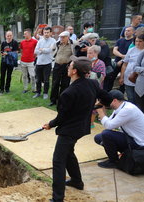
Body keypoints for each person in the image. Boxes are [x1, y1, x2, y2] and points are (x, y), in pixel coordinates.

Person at [43, 56, 109, 202]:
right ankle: (77, 181)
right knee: (69, 153)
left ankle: (57, 198)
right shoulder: (92, 83)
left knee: (58, 161)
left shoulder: (68, 93)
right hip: (82, 127)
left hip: (69, 131)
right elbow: (107, 98)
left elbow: (61, 118)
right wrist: (93, 106)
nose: (68, 68)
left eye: (70, 66)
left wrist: (50, 124)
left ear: (74, 71)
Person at [94, 90, 144, 168]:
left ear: (115, 100)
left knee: (106, 134)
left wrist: (100, 111)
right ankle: (124, 154)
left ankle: (113, 161)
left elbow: (109, 126)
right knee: (99, 138)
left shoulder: (127, 110)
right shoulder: (121, 107)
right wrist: (103, 109)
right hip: (131, 137)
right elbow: (109, 123)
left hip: (140, 143)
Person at [107, 26, 135, 92]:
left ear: (133, 32)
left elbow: (131, 54)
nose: (126, 32)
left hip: (127, 63)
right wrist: (122, 56)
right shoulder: (120, 40)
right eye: (125, 30)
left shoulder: (133, 42)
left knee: (123, 79)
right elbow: (114, 50)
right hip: (117, 63)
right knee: (111, 77)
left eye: (128, 31)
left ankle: (121, 93)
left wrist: (123, 60)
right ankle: (108, 91)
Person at [119, 34, 144, 104]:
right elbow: (125, 64)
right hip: (129, 77)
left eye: (140, 41)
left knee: (140, 99)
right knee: (130, 97)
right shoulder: (131, 50)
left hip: (141, 78)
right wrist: (121, 77)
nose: (138, 43)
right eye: (136, 41)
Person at [50, 31, 75, 106]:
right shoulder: (58, 43)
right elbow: (52, 49)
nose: (61, 39)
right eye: (60, 37)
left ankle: (62, 100)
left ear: (68, 37)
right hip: (57, 65)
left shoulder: (73, 44)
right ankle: (53, 100)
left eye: (63, 37)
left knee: (65, 83)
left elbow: (75, 53)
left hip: (66, 66)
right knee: (55, 83)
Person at [33, 27, 56, 99]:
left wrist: (42, 50)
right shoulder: (40, 40)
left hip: (47, 63)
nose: (46, 34)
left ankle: (45, 93)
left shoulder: (53, 41)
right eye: (45, 32)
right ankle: (38, 92)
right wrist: (44, 50)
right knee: (38, 79)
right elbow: (35, 51)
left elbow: (50, 50)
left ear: (51, 33)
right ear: (43, 33)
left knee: (46, 79)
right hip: (39, 62)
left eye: (48, 32)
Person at [19, 28, 38, 93]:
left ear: (29, 34)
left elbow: (36, 51)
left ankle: (34, 88)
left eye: (25, 34)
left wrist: (33, 57)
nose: (24, 35)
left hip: (31, 61)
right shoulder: (22, 42)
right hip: (23, 61)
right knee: (24, 75)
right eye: (24, 34)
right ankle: (25, 88)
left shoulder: (35, 42)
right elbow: (21, 50)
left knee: (32, 75)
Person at [134, 49, 144, 114]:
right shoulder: (143, 52)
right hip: (141, 87)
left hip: (141, 77)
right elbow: (135, 68)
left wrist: (141, 72)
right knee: (140, 111)